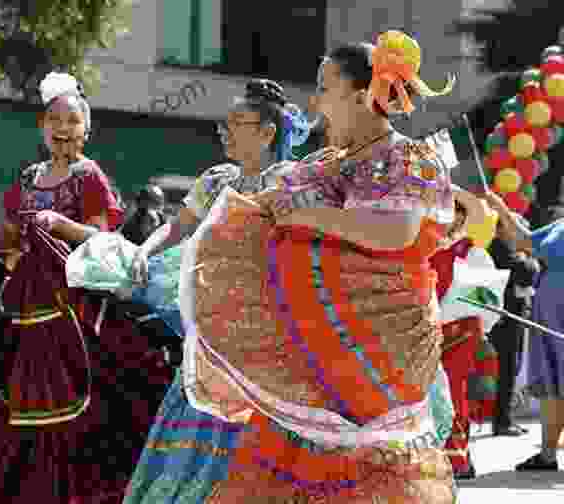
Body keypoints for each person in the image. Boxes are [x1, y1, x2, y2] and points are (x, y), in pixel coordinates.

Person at [174, 30, 459, 502]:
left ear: (365, 95)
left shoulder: (407, 156)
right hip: (314, 361)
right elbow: (273, 202)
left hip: (377, 357)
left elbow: (396, 232)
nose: (317, 101)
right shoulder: (328, 162)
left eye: (326, 88)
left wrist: (310, 216)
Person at [0, 71, 173, 502]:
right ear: (42, 126)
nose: (63, 129)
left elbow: (100, 237)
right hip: (26, 304)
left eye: (73, 121)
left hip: (73, 302)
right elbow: (8, 236)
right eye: (55, 120)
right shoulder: (26, 179)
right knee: (24, 397)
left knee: (71, 396)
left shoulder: (89, 175)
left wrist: (58, 224)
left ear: (87, 131)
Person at [123, 79, 311, 503]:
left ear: (267, 132)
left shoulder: (290, 181)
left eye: (236, 124)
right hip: (213, 325)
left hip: (268, 330)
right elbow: (177, 225)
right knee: (196, 413)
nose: (224, 132)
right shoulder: (216, 180)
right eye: (223, 124)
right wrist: (144, 250)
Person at [430, 188, 510, 479]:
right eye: (446, 210)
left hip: (461, 334)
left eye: (457, 211)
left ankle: (457, 458)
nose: (452, 217)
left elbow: (488, 298)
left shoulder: (473, 252)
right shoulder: (420, 247)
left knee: (454, 393)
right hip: (423, 333)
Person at [484, 191, 564, 471]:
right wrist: (502, 209)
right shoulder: (559, 226)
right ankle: (547, 455)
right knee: (552, 388)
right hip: (549, 321)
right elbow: (523, 241)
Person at [488, 214, 538, 436]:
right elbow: (526, 271)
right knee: (506, 368)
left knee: (511, 368)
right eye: (516, 229)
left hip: (512, 316)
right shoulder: (498, 248)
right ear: (500, 230)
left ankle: (505, 418)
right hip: (503, 318)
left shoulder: (510, 250)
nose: (520, 233)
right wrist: (528, 259)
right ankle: (502, 421)